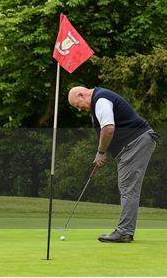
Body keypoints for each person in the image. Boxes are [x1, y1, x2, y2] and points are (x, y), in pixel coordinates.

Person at [68, 86, 158, 243]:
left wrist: (101, 152)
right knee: (127, 188)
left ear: (82, 94)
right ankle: (125, 231)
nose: (79, 109)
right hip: (134, 143)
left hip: (135, 142)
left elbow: (108, 129)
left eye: (77, 105)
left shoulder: (101, 100)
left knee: (128, 188)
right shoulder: (99, 101)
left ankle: (124, 232)